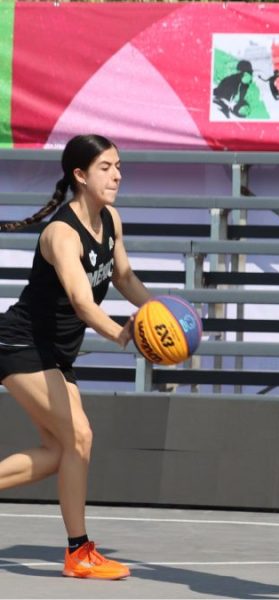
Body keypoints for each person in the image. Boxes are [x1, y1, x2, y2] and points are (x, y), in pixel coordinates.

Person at [0, 134, 151, 579]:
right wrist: (123, 334)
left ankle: (79, 551)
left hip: (56, 354)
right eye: (106, 167)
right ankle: (79, 552)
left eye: (119, 166)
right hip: (21, 345)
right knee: (79, 438)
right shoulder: (61, 234)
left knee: (63, 450)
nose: (117, 174)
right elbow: (83, 303)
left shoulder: (111, 220)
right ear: (80, 176)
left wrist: (162, 312)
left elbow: (123, 277)